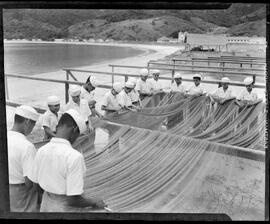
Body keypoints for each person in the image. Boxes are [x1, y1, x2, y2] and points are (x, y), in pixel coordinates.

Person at [28, 109, 107, 212]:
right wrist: (94, 202)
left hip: (46, 204)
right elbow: (72, 200)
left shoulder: (41, 151)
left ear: (57, 127)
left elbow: (35, 185)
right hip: (64, 208)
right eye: (77, 135)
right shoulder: (74, 157)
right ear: (74, 130)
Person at [7, 105, 40, 212]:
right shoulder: (26, 146)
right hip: (22, 195)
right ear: (27, 122)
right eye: (33, 124)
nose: (32, 128)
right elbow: (29, 182)